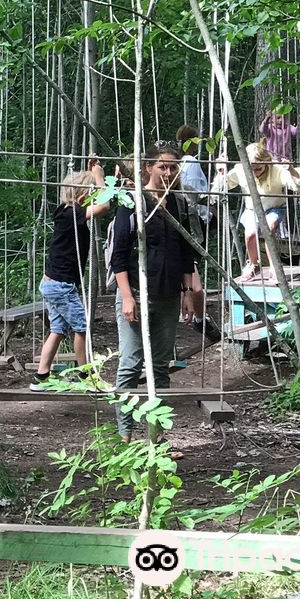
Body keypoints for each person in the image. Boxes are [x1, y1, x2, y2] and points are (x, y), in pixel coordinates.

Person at [109, 142, 202, 442]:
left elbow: (185, 253)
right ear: (148, 167)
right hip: (136, 293)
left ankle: (156, 435)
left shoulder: (178, 204)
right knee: (130, 363)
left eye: (173, 167)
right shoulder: (132, 201)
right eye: (163, 166)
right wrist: (127, 296)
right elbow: (118, 255)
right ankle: (124, 435)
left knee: (161, 366)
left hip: (168, 295)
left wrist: (187, 292)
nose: (168, 172)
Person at [30, 160, 113, 391]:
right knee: (82, 327)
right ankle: (87, 377)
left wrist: (97, 175)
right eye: (92, 194)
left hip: (54, 284)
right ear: (82, 195)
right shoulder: (72, 213)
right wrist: (99, 177)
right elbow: (104, 206)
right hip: (60, 286)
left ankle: (41, 377)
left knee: (58, 330)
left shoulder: (66, 212)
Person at [214, 142, 300, 283]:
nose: (255, 172)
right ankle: (253, 264)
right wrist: (221, 172)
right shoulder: (240, 169)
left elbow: (299, 186)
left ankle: (275, 267)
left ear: (266, 162)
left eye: (259, 168)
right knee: (250, 234)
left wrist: (291, 170)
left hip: (274, 208)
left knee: (268, 228)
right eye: (251, 169)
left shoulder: (277, 169)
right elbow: (222, 187)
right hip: (252, 210)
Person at [175, 125, 210, 327]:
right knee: (191, 265)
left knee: (184, 266)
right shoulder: (191, 162)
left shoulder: (178, 162)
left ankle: (185, 310)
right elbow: (196, 193)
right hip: (194, 219)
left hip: (181, 217)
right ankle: (198, 316)